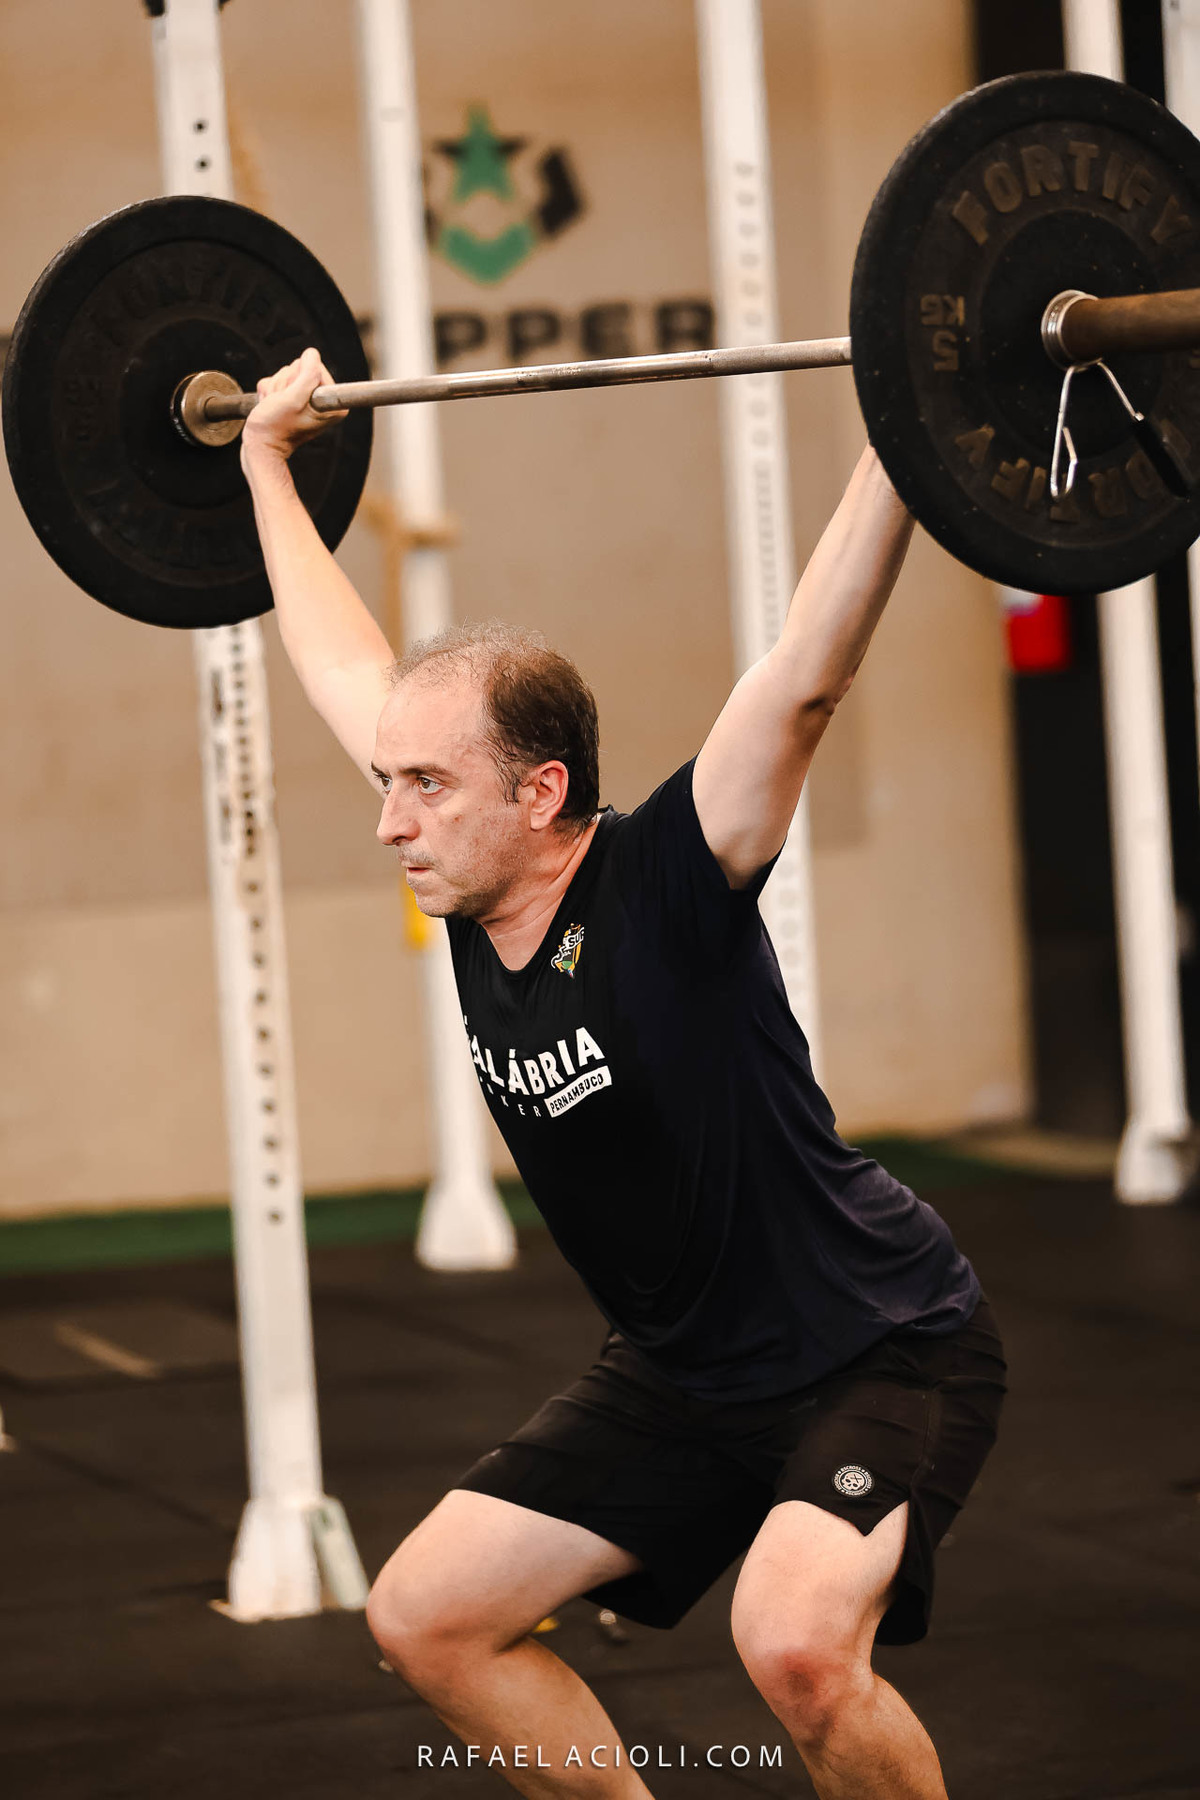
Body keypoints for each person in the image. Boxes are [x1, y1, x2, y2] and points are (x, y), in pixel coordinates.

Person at [241, 346, 1007, 1800]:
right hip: (682, 1375)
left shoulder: (669, 877)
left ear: (541, 793)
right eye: (390, 781)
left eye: (425, 785)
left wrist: (907, 431)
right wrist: (265, 467)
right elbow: (340, 659)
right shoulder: (469, 881)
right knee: (425, 1616)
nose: (391, 820)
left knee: (795, 1647)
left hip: (875, 1344)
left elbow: (803, 679)